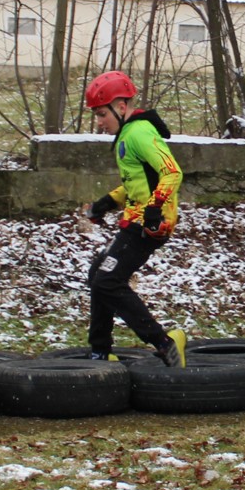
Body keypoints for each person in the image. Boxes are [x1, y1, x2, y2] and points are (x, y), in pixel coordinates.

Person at [79, 70, 187, 366]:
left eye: (102, 114)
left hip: (151, 224)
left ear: (121, 107)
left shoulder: (138, 133)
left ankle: (165, 343)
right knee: (99, 273)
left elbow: (172, 172)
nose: (100, 122)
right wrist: (106, 202)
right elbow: (137, 183)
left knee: (107, 281)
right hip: (137, 219)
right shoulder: (127, 134)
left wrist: (154, 211)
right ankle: (100, 351)